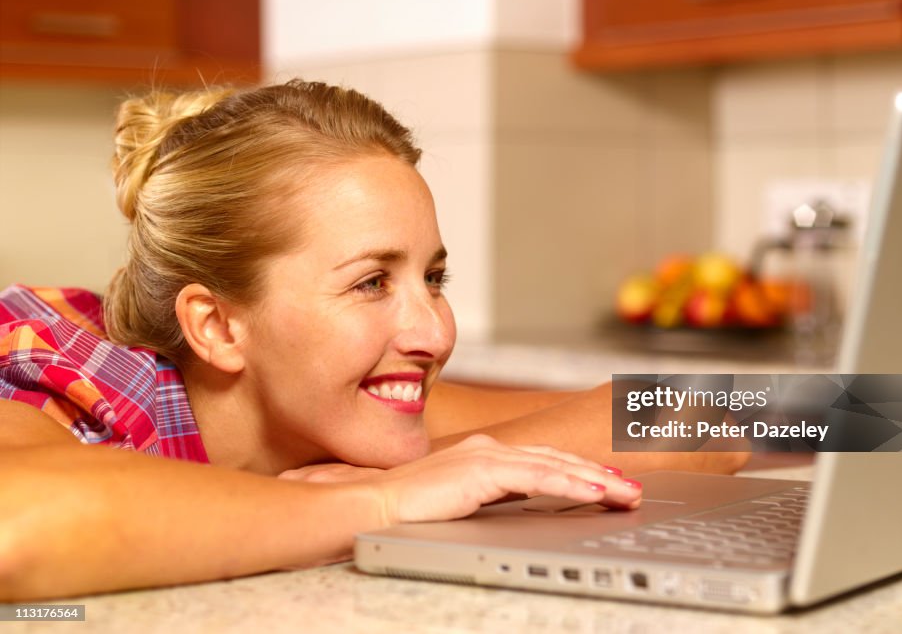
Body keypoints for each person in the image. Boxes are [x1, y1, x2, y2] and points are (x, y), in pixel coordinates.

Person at [0, 80, 748, 600]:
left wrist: (461, 467)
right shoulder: (63, 383)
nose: (433, 331)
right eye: (371, 283)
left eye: (434, 278)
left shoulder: (331, 409)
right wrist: (382, 504)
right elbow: (16, 531)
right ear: (219, 326)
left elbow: (725, 419)